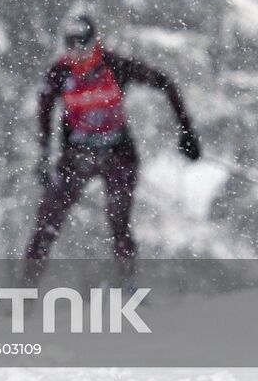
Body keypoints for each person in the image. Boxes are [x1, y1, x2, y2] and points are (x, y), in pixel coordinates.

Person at [25, 15, 202, 282]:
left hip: (118, 154)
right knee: (46, 224)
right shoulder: (60, 73)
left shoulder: (115, 65)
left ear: (93, 44)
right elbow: (44, 112)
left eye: (83, 48)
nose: (78, 56)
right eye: (71, 48)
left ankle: (128, 287)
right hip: (76, 156)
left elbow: (165, 83)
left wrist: (186, 131)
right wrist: (43, 154)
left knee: (119, 223)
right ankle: (23, 299)